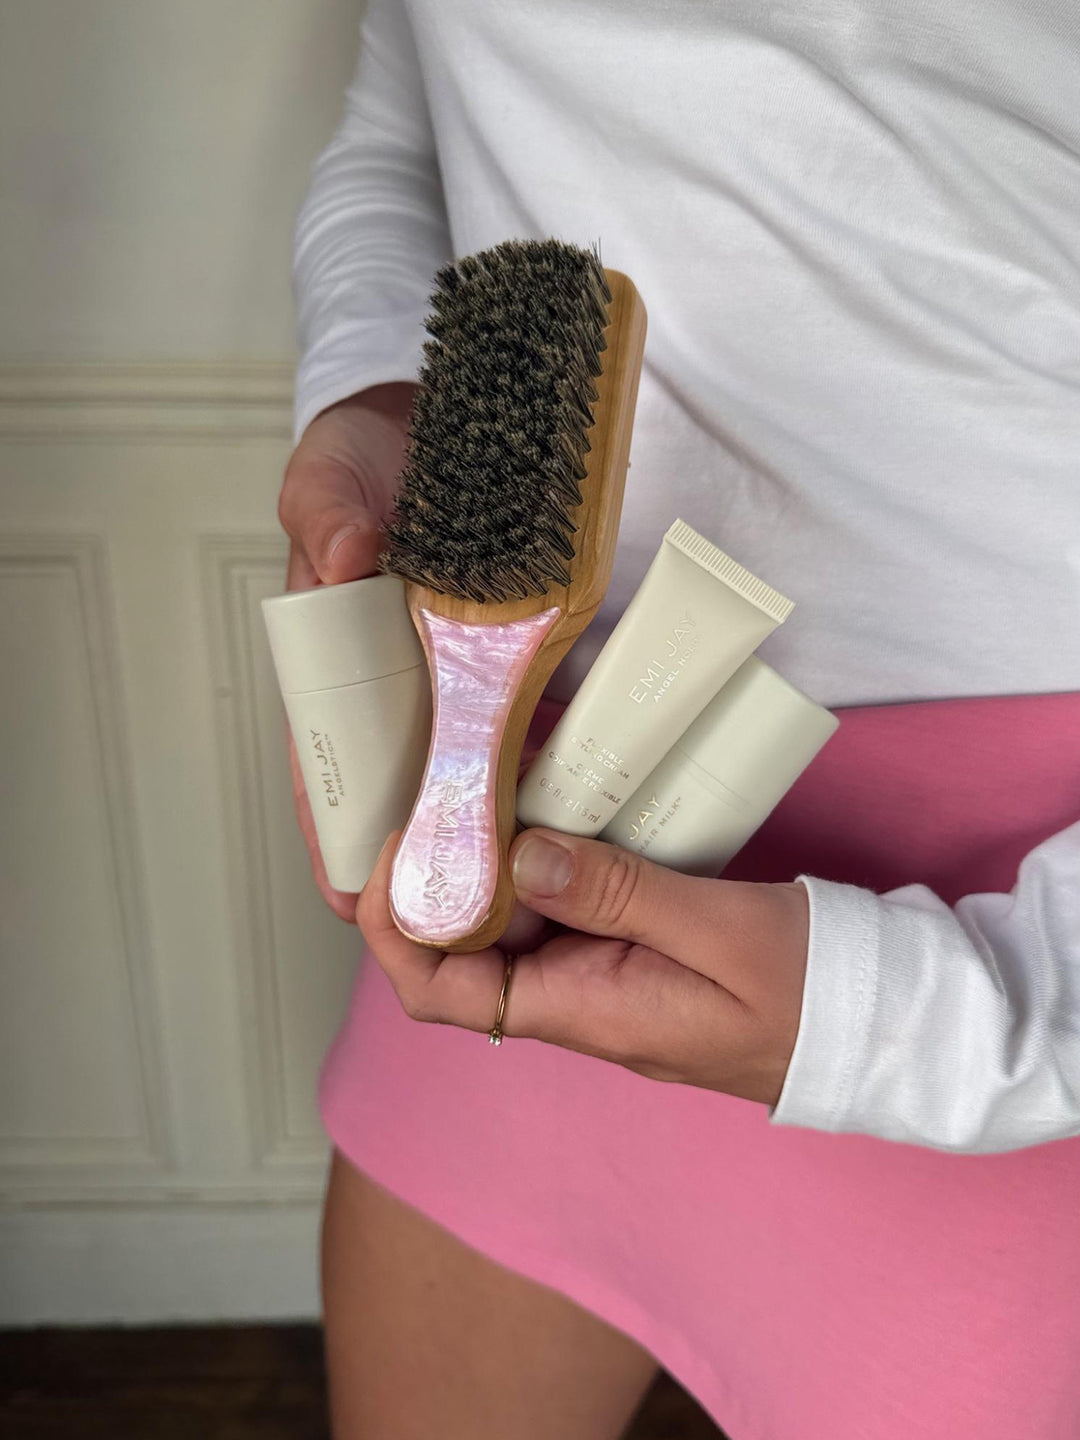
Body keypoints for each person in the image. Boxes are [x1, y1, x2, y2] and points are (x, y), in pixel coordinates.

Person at [277, 2, 1080, 1436]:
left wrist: (947, 1024)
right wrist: (383, 391)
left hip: (1002, 955)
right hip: (542, 789)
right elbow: (410, 107)